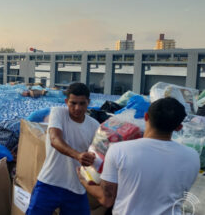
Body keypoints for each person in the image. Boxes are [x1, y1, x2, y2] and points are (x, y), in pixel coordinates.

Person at [78, 97, 200, 215]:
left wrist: (83, 180)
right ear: (179, 127)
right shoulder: (192, 156)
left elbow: (106, 199)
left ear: (146, 117)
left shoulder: (120, 150)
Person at [26, 82, 100, 215]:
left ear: (88, 102)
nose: (77, 108)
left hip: (77, 187)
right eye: (73, 103)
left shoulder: (94, 125)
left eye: (82, 103)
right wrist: (78, 155)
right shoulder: (58, 113)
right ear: (66, 102)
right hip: (49, 183)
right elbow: (55, 140)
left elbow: (97, 154)